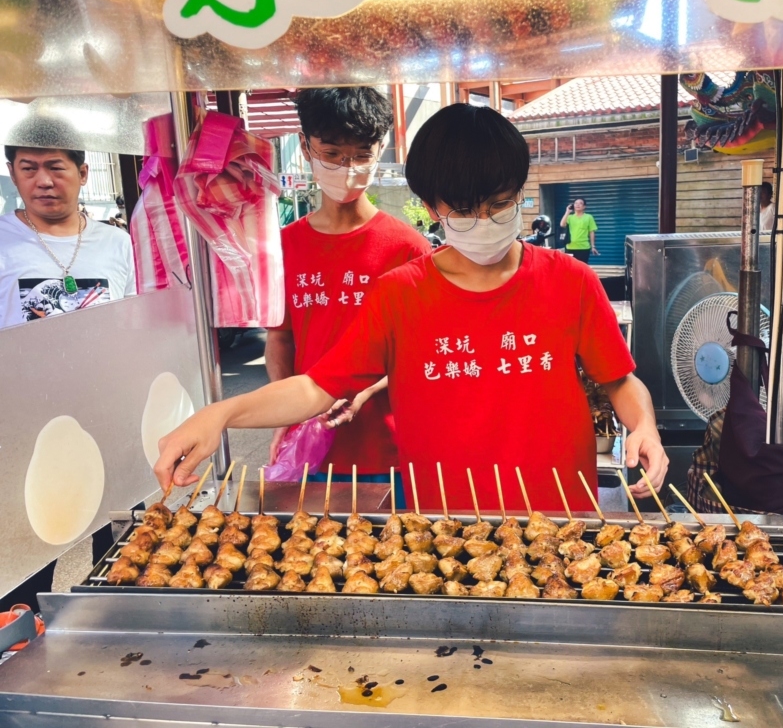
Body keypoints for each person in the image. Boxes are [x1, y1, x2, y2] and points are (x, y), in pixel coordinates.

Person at [155, 104, 667, 513]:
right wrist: (222, 414)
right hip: (441, 526)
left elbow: (619, 380)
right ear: (430, 205)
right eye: (463, 210)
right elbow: (317, 386)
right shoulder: (399, 294)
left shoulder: (571, 282)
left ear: (520, 192)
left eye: (499, 203)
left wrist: (642, 426)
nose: (483, 220)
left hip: (562, 519)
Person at [265, 87, 429, 506]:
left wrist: (366, 390)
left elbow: (420, 352)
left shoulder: (407, 247)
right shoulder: (284, 247)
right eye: (333, 153)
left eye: (361, 154)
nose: (348, 167)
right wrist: (286, 412)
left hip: (387, 450)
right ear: (305, 146)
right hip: (310, 450)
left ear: (380, 150)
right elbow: (280, 338)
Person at [1, 117, 136, 330]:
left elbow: (131, 323)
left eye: (55, 167)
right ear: (13, 174)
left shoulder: (117, 242)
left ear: (82, 173)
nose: (44, 181)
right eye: (28, 169)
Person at [560, 197, 599, 263]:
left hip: (583, 247)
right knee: (570, 268)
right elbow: (562, 224)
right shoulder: (570, 217)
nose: (578, 205)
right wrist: (567, 212)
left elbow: (591, 232)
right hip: (570, 247)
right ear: (573, 205)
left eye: (580, 203)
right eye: (576, 203)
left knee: (582, 268)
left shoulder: (589, 217)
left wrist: (593, 246)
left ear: (584, 207)